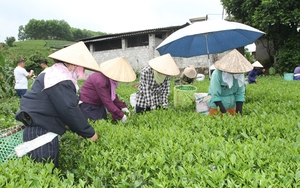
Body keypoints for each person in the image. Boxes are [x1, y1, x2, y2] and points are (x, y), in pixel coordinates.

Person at [14, 42, 99, 167]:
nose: (80, 69)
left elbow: (59, 106)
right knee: (45, 173)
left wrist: (78, 130)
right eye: (79, 66)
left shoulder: (53, 72)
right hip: (41, 132)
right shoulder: (60, 77)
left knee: (42, 173)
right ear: (72, 63)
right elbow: (68, 108)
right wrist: (89, 133)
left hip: (38, 127)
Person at [79, 57, 136, 122]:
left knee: (103, 121)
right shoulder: (101, 80)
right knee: (95, 124)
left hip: (99, 104)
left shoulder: (109, 80)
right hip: (89, 105)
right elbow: (107, 101)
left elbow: (112, 96)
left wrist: (122, 106)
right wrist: (121, 115)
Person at [207, 49, 253, 116]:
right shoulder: (217, 74)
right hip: (217, 105)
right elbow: (215, 95)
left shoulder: (239, 74)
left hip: (232, 104)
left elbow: (240, 93)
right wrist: (223, 111)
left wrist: (239, 112)